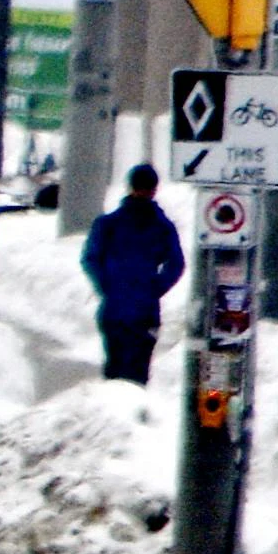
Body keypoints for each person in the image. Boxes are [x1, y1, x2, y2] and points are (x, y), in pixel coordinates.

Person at [83, 164, 187, 388]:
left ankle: (114, 416)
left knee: (114, 370)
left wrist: (106, 285)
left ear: (129, 186)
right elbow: (176, 264)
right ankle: (132, 411)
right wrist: (154, 288)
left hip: (115, 310)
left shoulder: (108, 224)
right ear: (155, 189)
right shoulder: (162, 227)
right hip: (145, 311)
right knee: (138, 373)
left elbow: (90, 258)